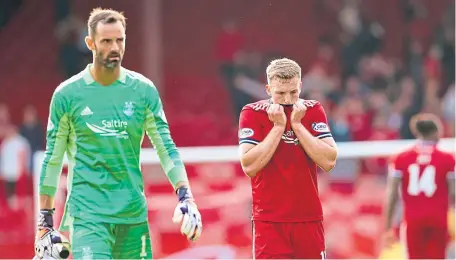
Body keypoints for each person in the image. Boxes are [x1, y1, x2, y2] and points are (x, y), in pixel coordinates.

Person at [35, 8, 202, 259]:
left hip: (133, 215)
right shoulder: (67, 95)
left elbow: (165, 146)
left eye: (119, 40)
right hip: (88, 217)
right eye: (106, 41)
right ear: (90, 43)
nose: (115, 47)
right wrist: (44, 221)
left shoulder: (143, 90)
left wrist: (186, 196)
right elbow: (53, 158)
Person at [238, 58, 338, 259]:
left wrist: (298, 126)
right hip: (269, 221)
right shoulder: (252, 113)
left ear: (300, 85)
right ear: (268, 89)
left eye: (293, 92)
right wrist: (278, 128)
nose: (287, 100)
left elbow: (329, 161)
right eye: (280, 93)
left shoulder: (313, 110)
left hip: (308, 219)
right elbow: (249, 166)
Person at [384, 113, 455, 259]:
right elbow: (454, 192)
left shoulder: (401, 158)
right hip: (438, 219)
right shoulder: (447, 159)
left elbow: (392, 194)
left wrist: (387, 226)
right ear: (436, 132)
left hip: (412, 219)